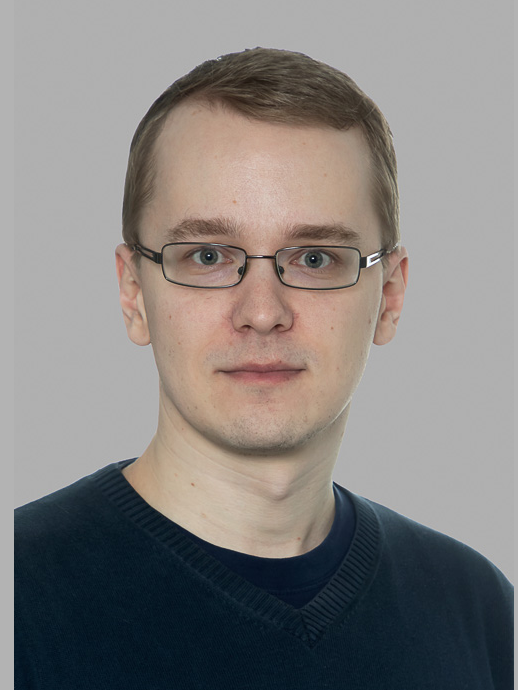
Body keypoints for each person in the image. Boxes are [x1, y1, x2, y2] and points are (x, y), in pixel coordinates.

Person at [15, 48, 512, 689]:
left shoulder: (478, 611)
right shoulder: (19, 597)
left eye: (314, 259)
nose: (261, 313)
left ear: (389, 296)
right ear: (133, 294)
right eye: (208, 256)